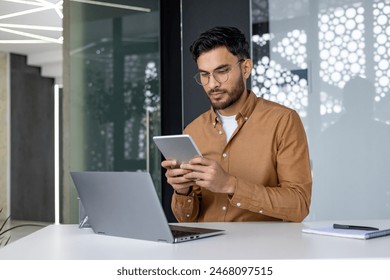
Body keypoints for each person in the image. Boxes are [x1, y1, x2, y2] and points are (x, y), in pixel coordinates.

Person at [161, 26, 312, 223]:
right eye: (204, 75)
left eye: (221, 72)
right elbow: (186, 219)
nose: (212, 84)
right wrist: (183, 191)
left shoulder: (283, 121)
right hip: (205, 250)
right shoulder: (192, 131)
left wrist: (230, 185)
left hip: (261, 249)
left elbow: (299, 205)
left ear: (246, 68)